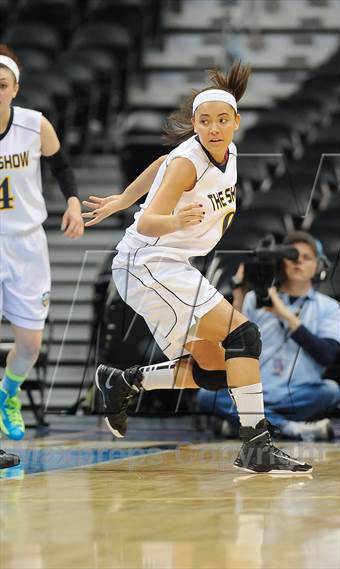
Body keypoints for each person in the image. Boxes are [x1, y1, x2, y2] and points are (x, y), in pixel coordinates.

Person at [83, 62, 312, 474]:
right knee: (244, 335)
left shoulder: (225, 152)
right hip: (148, 265)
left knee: (212, 371)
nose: (214, 128)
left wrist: (121, 196)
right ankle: (256, 446)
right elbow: (150, 221)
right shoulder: (191, 162)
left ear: (236, 122)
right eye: (205, 121)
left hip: (170, 265)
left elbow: (160, 164)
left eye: (222, 120)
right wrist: (173, 219)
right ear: (195, 123)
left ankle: (123, 381)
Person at [0, 45, 84, 441]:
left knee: (30, 346)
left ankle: (8, 393)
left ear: (15, 89)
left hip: (28, 245)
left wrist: (72, 203)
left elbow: (61, 165)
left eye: (2, 85)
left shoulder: (34, 125)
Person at [197, 231, 340, 441]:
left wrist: (283, 313)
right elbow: (228, 340)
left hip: (296, 393)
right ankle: (291, 428)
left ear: (319, 266)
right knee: (206, 396)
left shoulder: (331, 307)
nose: (298, 262)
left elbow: (326, 355)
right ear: (282, 263)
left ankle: (243, 423)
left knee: (330, 391)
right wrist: (238, 293)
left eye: (306, 258)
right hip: (254, 389)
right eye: (292, 257)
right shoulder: (253, 299)